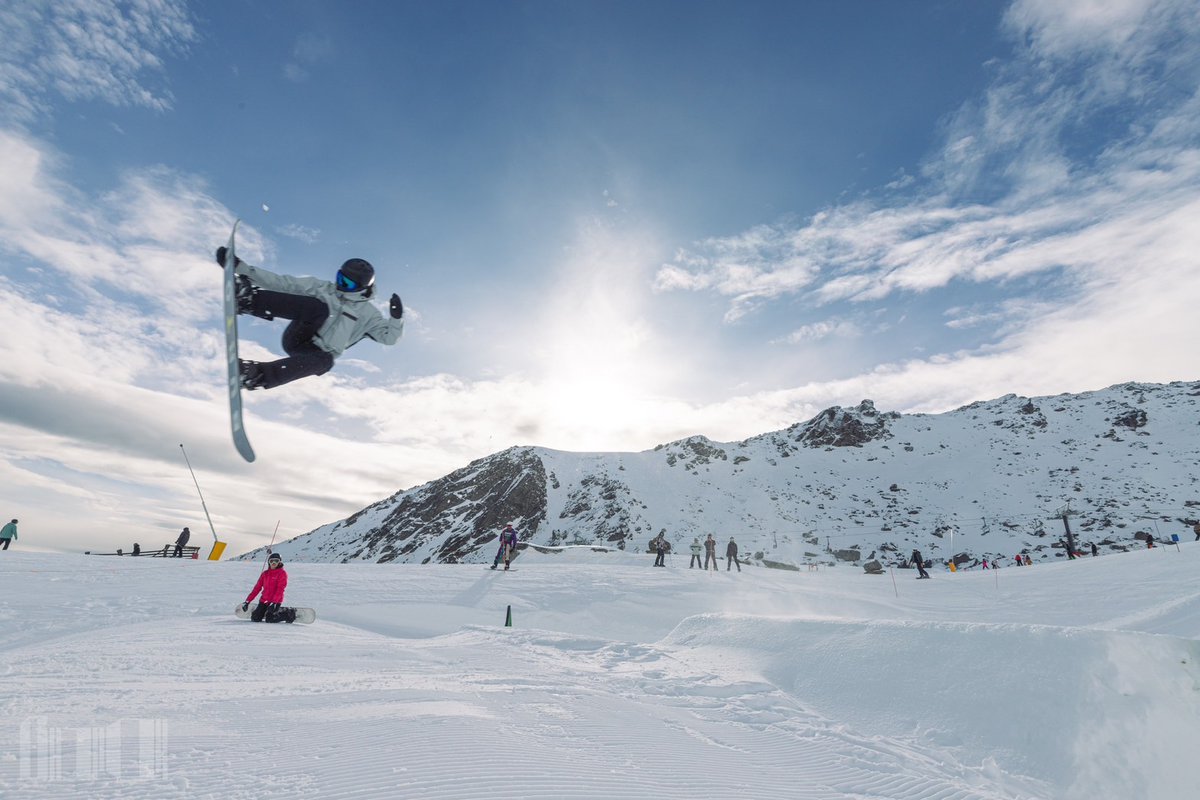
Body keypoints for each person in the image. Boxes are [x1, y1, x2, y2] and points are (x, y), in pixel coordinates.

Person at [215, 248, 405, 390]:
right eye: (340, 278)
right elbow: (284, 283)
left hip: (312, 352)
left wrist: (396, 318)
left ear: (362, 287)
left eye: (346, 283)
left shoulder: (368, 315)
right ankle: (249, 301)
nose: (340, 285)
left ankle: (255, 376)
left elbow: (389, 338)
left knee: (326, 361)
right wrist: (242, 268)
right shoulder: (322, 288)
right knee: (318, 307)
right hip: (298, 335)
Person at [242, 552, 295, 623]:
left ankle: (289, 613)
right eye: (271, 561)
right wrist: (247, 601)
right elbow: (257, 588)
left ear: (279, 562)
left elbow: (280, 589)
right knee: (255, 618)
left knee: (270, 619)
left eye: (276, 561)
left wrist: (274, 602)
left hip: (275, 601)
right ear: (269, 562)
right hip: (264, 600)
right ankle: (263, 612)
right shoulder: (265, 574)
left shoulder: (282, 573)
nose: (273, 563)